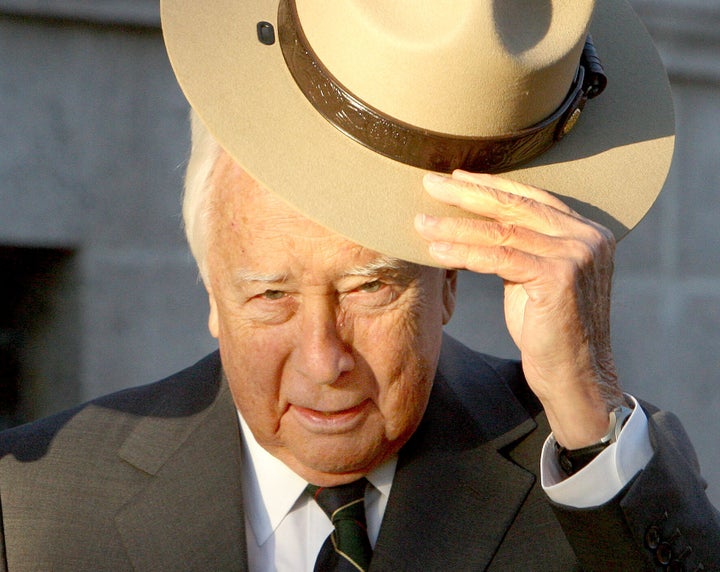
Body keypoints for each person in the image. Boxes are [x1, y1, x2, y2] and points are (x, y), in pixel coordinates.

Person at [1, 0, 718, 570]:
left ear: (448, 285)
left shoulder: (597, 476)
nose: (324, 361)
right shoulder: (35, 504)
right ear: (209, 290)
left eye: (368, 289)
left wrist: (585, 403)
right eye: (269, 295)